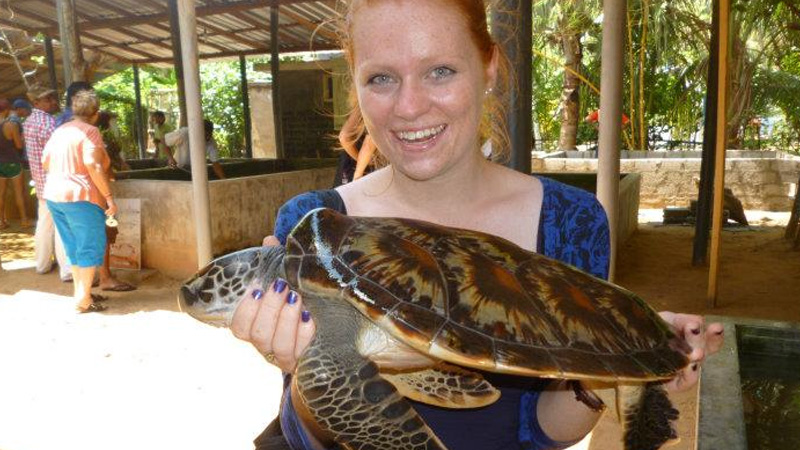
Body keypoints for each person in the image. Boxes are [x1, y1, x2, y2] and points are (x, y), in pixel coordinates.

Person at [231, 1, 725, 449]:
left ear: (488, 65)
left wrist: (614, 362)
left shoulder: (570, 222)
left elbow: (536, 433)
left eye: (440, 70)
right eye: (381, 78)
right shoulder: (313, 227)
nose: (409, 106)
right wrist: (303, 369)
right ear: (355, 82)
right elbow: (301, 436)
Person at [43, 90, 116, 313]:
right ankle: (83, 300)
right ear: (95, 114)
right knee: (90, 246)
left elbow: (46, 162)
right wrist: (109, 198)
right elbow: (93, 165)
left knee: (74, 247)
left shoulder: (60, 131)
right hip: (81, 197)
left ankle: (80, 294)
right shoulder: (90, 131)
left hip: (55, 195)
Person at [22, 87, 71, 280]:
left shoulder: (28, 121)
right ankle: (67, 270)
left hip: (41, 183)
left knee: (44, 225)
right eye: (47, 99)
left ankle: (42, 264)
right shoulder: (49, 123)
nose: (52, 101)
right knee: (62, 226)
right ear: (36, 103)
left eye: (52, 97)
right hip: (56, 181)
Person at [95, 110, 136, 292]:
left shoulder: (72, 136)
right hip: (99, 197)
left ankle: (98, 276)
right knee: (105, 234)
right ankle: (105, 277)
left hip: (80, 197)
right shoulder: (99, 142)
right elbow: (106, 170)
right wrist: (109, 197)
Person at [0, 98, 30, 228]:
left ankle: (2, 221)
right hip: (13, 162)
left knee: (1, 193)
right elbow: (18, 145)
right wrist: (23, 139)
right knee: (19, 192)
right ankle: (24, 220)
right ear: (7, 110)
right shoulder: (10, 125)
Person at [334, 108, 377, 186]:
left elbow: (344, 137)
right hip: (368, 164)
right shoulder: (379, 108)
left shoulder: (360, 105)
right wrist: (358, 172)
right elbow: (368, 146)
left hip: (348, 160)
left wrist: (357, 158)